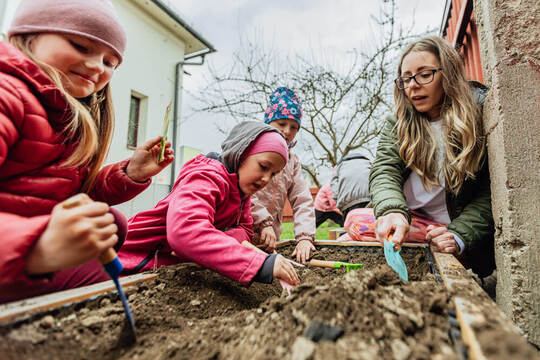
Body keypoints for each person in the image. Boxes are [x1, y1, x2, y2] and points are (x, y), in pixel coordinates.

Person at [0, 0, 174, 303]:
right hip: (14, 255)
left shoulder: (66, 115)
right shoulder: (7, 96)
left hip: (24, 260)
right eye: (81, 46)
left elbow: (69, 193)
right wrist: (35, 247)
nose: (96, 66)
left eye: (109, 62)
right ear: (29, 35)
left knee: (111, 225)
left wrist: (130, 173)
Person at [368, 36, 494, 277]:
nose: (413, 85)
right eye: (406, 78)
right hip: (410, 219)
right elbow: (385, 169)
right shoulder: (398, 123)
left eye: (425, 74)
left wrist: (459, 235)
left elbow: (490, 192)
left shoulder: (479, 115)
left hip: (454, 226)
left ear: (448, 73)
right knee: (357, 220)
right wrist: (392, 210)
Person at [119, 122, 300, 287]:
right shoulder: (206, 177)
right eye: (263, 166)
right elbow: (185, 231)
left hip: (159, 269)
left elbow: (245, 230)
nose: (266, 178)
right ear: (241, 153)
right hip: (125, 262)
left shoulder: (241, 191)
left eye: (274, 174)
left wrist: (212, 238)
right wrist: (260, 264)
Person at [250, 87, 316, 263]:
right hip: (243, 234)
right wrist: (264, 222)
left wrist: (304, 237)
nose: (287, 131)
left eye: (294, 127)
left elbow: (302, 200)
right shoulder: (253, 151)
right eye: (281, 124)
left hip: (272, 241)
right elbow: (244, 194)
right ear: (268, 123)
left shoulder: (292, 161)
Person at [330, 150, 372, 221]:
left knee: (350, 226)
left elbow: (334, 185)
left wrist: (338, 200)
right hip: (369, 198)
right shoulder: (368, 163)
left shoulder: (340, 167)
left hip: (347, 201)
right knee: (371, 223)